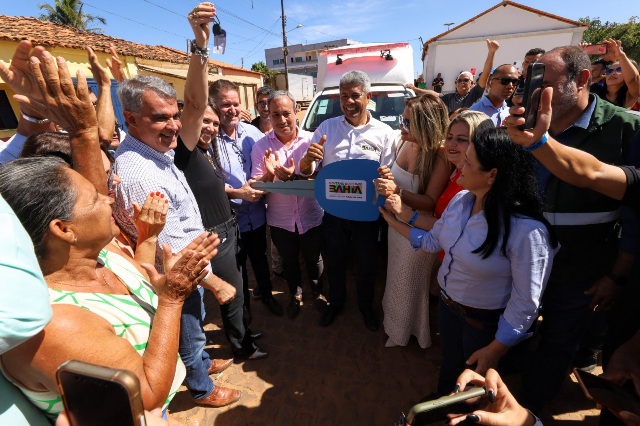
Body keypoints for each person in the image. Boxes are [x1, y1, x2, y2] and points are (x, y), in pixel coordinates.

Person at [0, 156, 215, 420]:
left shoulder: (101, 252)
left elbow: (139, 277)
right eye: (94, 199)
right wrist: (172, 299)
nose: (109, 199)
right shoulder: (56, 324)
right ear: (63, 229)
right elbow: (145, 396)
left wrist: (148, 237)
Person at [114, 3, 246, 408]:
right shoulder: (140, 173)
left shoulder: (160, 149)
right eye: (160, 118)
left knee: (192, 328)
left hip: (195, 264)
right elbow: (170, 253)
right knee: (186, 328)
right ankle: (202, 388)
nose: (174, 124)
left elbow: (193, 102)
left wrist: (200, 46)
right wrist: (216, 281)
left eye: (174, 116)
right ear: (132, 119)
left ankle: (201, 364)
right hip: (179, 276)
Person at [504, 45, 640, 413]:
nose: (531, 94)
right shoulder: (522, 130)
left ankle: (530, 408)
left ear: (581, 80)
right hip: (522, 262)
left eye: (543, 83)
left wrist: (617, 275)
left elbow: (633, 214)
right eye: (529, 83)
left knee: (558, 341)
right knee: (519, 328)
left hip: (584, 270)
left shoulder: (626, 129)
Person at [379, 128, 557, 395]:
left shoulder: (526, 232)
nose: (460, 164)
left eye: (469, 161)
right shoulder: (461, 201)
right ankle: (443, 401)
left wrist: (495, 349)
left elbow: (525, 304)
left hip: (484, 325)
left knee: (475, 389)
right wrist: (395, 221)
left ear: (492, 175)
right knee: (451, 366)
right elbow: (432, 241)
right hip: (449, 309)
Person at [299, 70, 396, 331]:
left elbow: (389, 175)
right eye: (344, 97)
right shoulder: (326, 128)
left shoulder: (385, 133)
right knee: (336, 261)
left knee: (366, 263)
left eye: (355, 96)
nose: (349, 102)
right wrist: (308, 160)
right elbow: (307, 170)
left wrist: (388, 177)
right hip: (334, 212)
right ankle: (337, 303)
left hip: (367, 214)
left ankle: (366, 307)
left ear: (368, 96)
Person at [372, 93, 450, 348]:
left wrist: (396, 191)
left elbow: (430, 202)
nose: (400, 127)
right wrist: (386, 174)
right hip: (396, 225)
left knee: (408, 283)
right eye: (401, 121)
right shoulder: (404, 142)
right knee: (395, 278)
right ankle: (394, 325)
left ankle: (407, 333)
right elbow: (397, 177)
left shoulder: (439, 156)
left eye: (407, 123)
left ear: (425, 125)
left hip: (416, 227)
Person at [208, 79, 281, 323]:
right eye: (225, 105)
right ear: (214, 106)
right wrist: (238, 193)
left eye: (236, 104)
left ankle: (268, 296)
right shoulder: (208, 139)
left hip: (257, 213)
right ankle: (242, 310)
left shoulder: (252, 133)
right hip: (229, 219)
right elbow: (207, 185)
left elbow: (264, 167)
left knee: (260, 259)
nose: (232, 110)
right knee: (236, 268)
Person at [251, 90, 325, 319]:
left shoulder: (312, 140)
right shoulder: (260, 146)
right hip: (280, 220)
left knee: (315, 259)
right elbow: (255, 185)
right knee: (289, 261)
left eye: (286, 113)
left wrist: (295, 175)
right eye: (275, 115)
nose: (282, 120)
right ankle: (296, 295)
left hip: (311, 215)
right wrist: (269, 175)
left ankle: (319, 293)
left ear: (296, 112)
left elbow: (322, 179)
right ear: (268, 116)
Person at [405, 39, 499, 114]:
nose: (462, 82)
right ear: (456, 84)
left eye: (466, 80)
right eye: (459, 80)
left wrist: (491, 53)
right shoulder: (449, 97)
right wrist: (414, 88)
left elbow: (486, 73)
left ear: (472, 84)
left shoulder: (475, 94)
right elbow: (432, 94)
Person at [589, 39, 640, 109]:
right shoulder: (593, 89)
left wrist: (620, 55)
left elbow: (633, 80)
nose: (613, 73)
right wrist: (581, 53)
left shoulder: (628, 96)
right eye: (609, 71)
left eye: (619, 70)